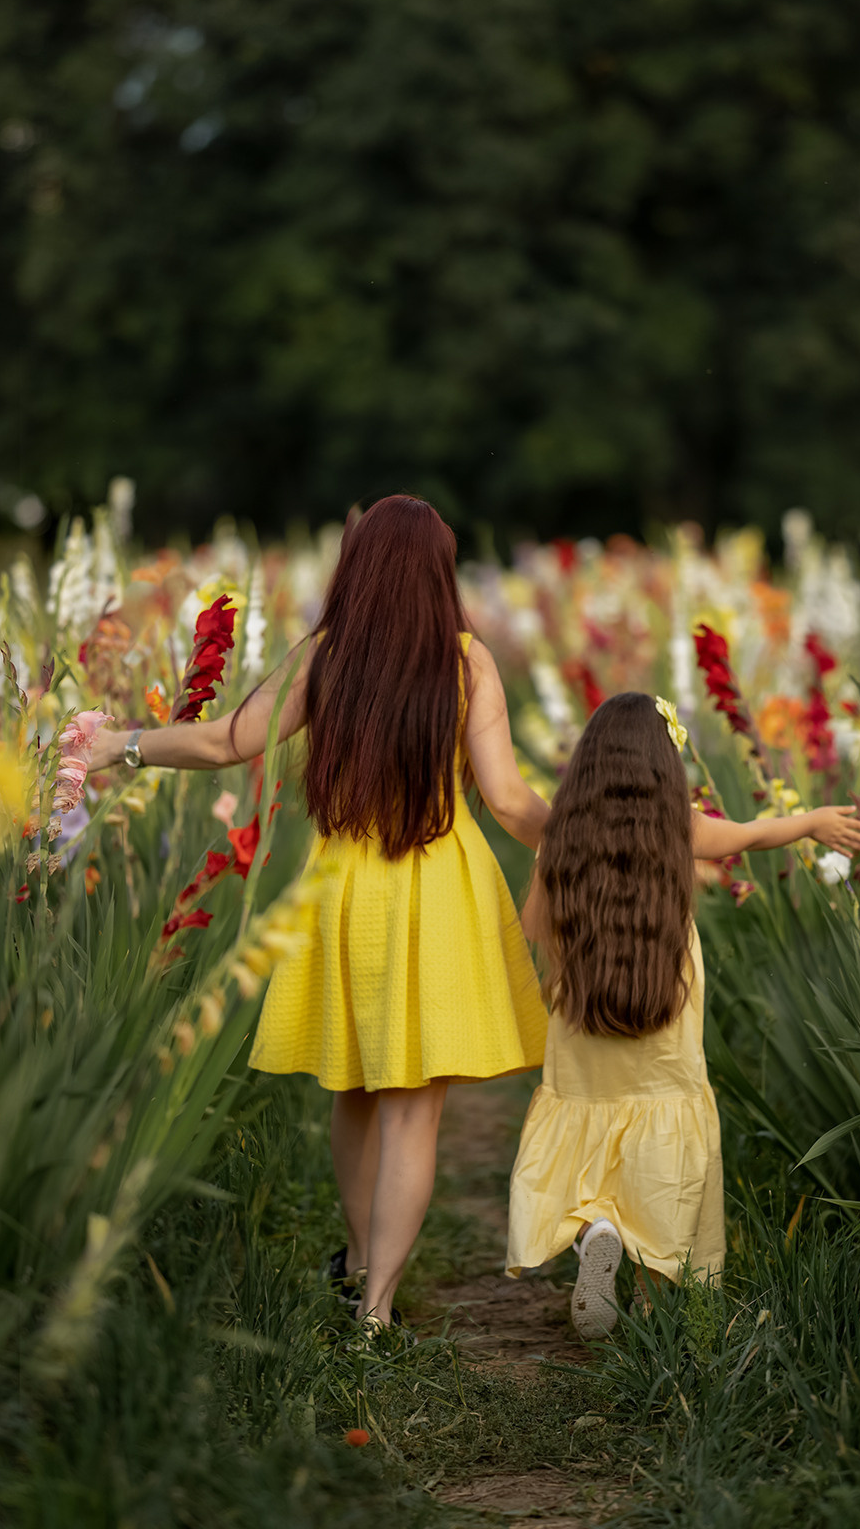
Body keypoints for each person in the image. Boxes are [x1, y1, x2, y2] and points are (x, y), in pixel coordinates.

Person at [90, 496, 550, 1334]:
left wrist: (117, 745)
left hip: (346, 891)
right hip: (441, 887)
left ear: (359, 567)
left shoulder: (327, 656)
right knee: (415, 1107)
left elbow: (227, 741)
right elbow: (513, 802)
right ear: (439, 574)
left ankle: (361, 1259)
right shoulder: (466, 662)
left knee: (357, 1085)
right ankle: (375, 1313)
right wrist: (607, 816)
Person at [507, 692, 860, 1338]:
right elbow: (756, 834)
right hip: (664, 1025)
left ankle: (596, 1229)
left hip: (582, 1028)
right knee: (664, 1148)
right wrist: (813, 819)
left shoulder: (562, 835)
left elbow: (535, 924)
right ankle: (652, 1299)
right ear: (663, 764)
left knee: (587, 1131)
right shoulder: (681, 826)